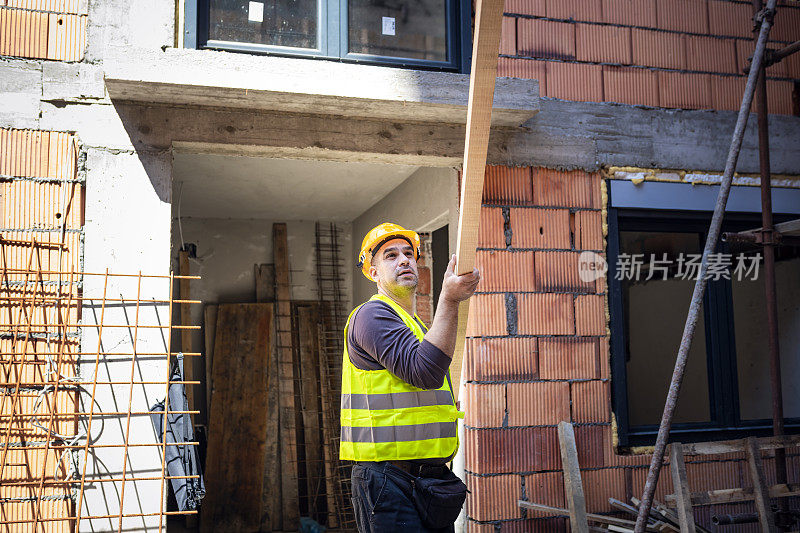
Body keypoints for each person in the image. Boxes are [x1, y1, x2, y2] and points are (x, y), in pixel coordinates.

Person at [340, 222, 480, 532]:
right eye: (390, 255)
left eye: (408, 253)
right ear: (373, 273)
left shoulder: (412, 324)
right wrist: (450, 299)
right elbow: (425, 372)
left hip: (425, 478)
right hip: (389, 478)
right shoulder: (371, 315)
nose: (404, 260)